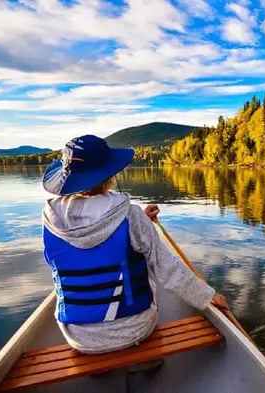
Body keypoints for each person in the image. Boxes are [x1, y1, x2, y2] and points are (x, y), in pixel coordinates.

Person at [40, 134, 229, 355]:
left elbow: (89, 239)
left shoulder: (51, 219)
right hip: (134, 331)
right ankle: (149, 363)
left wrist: (141, 220)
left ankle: (100, 371)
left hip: (79, 338)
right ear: (110, 174)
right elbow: (168, 270)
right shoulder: (130, 216)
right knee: (148, 274)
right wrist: (209, 296)